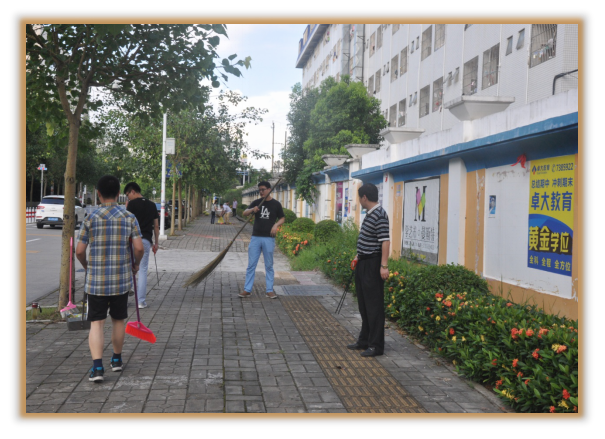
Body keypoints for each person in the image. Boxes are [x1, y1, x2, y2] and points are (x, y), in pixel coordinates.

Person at [76, 175, 144, 382]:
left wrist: (87, 266)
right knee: (118, 320)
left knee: (96, 323)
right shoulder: (129, 217)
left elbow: (79, 251)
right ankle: (116, 360)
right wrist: (136, 265)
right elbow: (139, 248)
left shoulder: (90, 218)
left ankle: (97, 368)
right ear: (118, 194)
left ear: (98, 194)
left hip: (96, 282)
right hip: (120, 280)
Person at [347, 183, 390, 357]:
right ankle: (364, 340)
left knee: (374, 306)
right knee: (364, 305)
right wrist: (358, 256)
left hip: (373, 264)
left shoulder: (379, 214)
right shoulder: (370, 213)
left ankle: (376, 346)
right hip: (363, 262)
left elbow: (385, 241)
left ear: (364, 197)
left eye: (359, 197)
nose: (359, 200)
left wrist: (384, 266)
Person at [240, 181, 285, 299]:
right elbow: (244, 213)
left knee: (269, 265)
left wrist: (276, 225)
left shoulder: (276, 204)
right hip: (256, 237)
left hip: (269, 238)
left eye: (263, 189)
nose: (261, 192)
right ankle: (247, 290)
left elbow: (282, 218)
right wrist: (252, 210)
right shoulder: (257, 202)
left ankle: (269, 290)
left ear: (269, 189)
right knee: (251, 265)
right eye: (259, 190)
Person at [124, 182, 160, 309]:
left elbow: (127, 223)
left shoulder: (131, 205)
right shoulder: (152, 205)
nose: (128, 197)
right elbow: (156, 226)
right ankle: (141, 302)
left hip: (132, 240)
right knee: (143, 270)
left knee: (128, 268)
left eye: (127, 194)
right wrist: (156, 243)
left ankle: (124, 299)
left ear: (133, 191)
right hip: (145, 240)